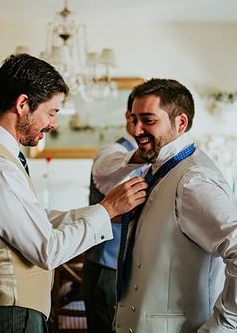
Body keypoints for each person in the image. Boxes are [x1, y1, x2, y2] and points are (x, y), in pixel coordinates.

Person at [0, 53, 148, 333]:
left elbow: (36, 218)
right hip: (6, 319)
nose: (53, 123)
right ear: (22, 104)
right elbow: (47, 249)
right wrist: (107, 211)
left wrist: (102, 211)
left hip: (9, 314)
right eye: (51, 112)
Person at [113, 78, 237, 333]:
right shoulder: (158, 171)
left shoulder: (193, 180)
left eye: (148, 120)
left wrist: (221, 329)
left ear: (181, 122)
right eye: (133, 119)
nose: (136, 130)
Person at [82, 93, 145, 333]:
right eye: (140, 118)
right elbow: (110, 169)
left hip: (133, 270)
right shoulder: (112, 152)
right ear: (129, 116)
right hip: (106, 269)